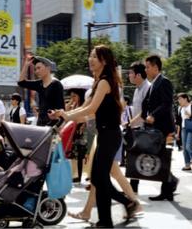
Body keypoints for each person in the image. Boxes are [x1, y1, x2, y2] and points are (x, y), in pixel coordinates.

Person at [49, 45, 138, 228]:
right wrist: (63, 114)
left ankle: (125, 205)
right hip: (104, 134)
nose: (90, 60)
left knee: (99, 178)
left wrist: (67, 116)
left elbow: (91, 109)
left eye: (94, 57)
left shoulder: (106, 82)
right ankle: (108, 219)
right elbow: (84, 110)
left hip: (110, 135)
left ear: (103, 61)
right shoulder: (99, 82)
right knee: (99, 178)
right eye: (90, 56)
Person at [141, 55, 178, 202]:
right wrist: (144, 115)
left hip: (163, 127)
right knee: (160, 157)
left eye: (147, 67)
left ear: (156, 67)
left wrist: (153, 115)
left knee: (161, 158)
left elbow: (166, 103)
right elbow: (147, 104)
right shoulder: (154, 84)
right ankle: (169, 186)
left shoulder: (164, 82)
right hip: (156, 127)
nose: (146, 69)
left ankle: (168, 188)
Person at [18, 55, 65, 126]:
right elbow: (21, 82)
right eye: (35, 69)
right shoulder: (39, 84)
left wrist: (57, 120)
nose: (36, 71)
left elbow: (61, 107)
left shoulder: (56, 84)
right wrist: (26, 65)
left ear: (48, 68)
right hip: (40, 123)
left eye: (39, 68)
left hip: (53, 123)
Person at [126, 61, 150, 194]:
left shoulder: (147, 88)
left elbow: (145, 111)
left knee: (144, 157)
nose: (129, 75)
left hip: (144, 128)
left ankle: (170, 180)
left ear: (138, 75)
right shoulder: (137, 89)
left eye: (130, 73)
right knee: (135, 157)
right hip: (137, 128)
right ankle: (132, 188)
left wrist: (131, 122)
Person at [177, 93, 192, 171]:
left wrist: (189, 115)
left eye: (180, 99)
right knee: (184, 148)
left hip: (191, 128)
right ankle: (187, 165)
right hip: (183, 129)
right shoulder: (180, 108)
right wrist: (177, 133)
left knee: (188, 146)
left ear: (185, 99)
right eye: (178, 99)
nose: (179, 101)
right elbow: (179, 122)